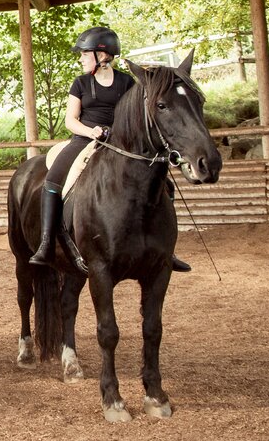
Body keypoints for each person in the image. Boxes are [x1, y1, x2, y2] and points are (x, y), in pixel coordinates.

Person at [32, 26, 191, 274]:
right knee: (53, 180)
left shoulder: (127, 82)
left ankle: (166, 250)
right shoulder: (81, 83)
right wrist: (91, 131)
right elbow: (70, 120)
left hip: (120, 143)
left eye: (85, 53)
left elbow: (136, 116)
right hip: (84, 139)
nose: (81, 58)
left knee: (166, 185)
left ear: (102, 55)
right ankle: (46, 244)